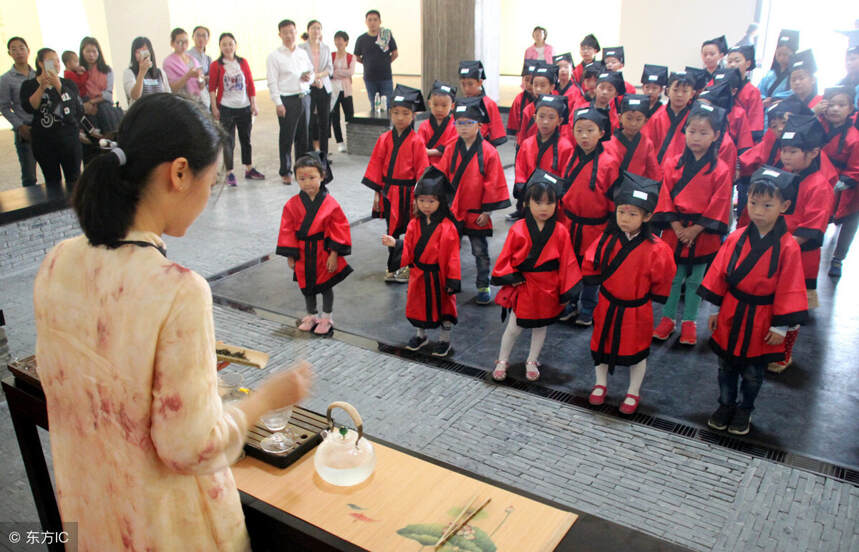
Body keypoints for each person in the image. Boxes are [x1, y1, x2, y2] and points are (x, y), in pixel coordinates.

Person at [34, 92, 313, 550]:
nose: (210, 194)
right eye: (214, 179)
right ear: (180, 172)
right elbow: (192, 448)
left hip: (90, 511)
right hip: (162, 527)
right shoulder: (178, 290)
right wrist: (265, 400)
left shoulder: (57, 260)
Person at [699, 166, 807, 435]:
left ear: (785, 206)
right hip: (732, 310)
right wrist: (714, 308)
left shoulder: (789, 246)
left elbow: (790, 286)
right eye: (753, 202)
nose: (758, 211)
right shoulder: (735, 237)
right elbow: (720, 274)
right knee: (725, 365)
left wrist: (780, 327)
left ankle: (745, 409)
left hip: (763, 315)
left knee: (753, 371)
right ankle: (725, 404)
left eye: (767, 204)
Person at [583, 173, 675, 415]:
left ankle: (633, 391)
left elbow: (663, 278)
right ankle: (600, 384)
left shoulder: (658, 249)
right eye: (621, 211)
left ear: (647, 217)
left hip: (636, 308)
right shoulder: (606, 239)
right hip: (607, 303)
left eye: (633, 214)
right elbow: (591, 263)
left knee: (637, 352)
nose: (625, 218)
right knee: (600, 346)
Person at [652, 102, 732, 345]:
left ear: (716, 136)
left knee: (697, 280)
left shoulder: (721, 169)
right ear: (684, 131)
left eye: (704, 132)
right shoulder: (672, 163)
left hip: (703, 231)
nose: (696, 137)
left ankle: (689, 322)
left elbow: (720, 201)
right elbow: (664, 194)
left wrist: (695, 229)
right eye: (692, 131)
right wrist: (677, 227)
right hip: (674, 228)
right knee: (673, 278)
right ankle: (667, 319)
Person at [491, 170, 582, 382]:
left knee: (541, 326)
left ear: (556, 205)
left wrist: (564, 288)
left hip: (549, 285)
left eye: (549, 203)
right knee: (515, 326)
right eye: (538, 202)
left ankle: (532, 359)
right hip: (525, 284)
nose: (543, 208)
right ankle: (502, 360)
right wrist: (512, 276)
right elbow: (506, 257)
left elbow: (567, 261)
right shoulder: (519, 229)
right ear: (527, 203)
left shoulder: (560, 231)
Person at [773, 114, 834, 373]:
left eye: (793, 151)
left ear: (813, 152)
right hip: (776, 249)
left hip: (800, 255)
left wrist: (781, 247)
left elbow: (811, 229)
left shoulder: (820, 186)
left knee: (792, 307)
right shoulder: (783, 175)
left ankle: (784, 353)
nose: (786, 157)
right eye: (784, 151)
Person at [382, 167, 461, 357]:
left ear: (440, 202)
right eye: (422, 200)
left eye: (431, 201)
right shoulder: (413, 224)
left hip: (439, 275)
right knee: (417, 305)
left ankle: (444, 340)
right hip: (419, 273)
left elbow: (452, 256)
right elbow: (408, 248)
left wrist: (452, 280)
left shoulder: (447, 228)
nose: (426, 205)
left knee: (444, 307)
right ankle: (420, 335)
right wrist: (396, 244)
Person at [439, 96, 510, 304]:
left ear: (479, 125)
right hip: (453, 209)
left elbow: (494, 182)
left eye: (468, 124)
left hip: (477, 211)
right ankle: (450, 281)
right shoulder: (451, 148)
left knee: (480, 251)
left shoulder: (489, 152)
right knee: (450, 248)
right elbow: (442, 175)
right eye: (458, 123)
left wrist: (486, 212)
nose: (462, 128)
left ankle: (482, 284)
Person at [277, 153, 351, 336]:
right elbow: (287, 230)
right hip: (302, 251)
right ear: (296, 179)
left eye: (312, 178)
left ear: (322, 176)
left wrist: (334, 254)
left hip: (322, 251)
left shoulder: (330, 204)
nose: (307, 183)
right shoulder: (291, 205)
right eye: (302, 179)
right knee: (306, 285)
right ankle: (311, 314)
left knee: (325, 285)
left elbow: (339, 228)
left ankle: (326, 317)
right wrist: (290, 255)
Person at [362, 85, 429, 282]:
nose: (400, 118)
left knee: (410, 229)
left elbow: (422, 172)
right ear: (390, 113)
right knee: (391, 229)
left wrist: (419, 198)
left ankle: (409, 266)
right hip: (389, 191)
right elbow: (376, 166)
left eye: (405, 113)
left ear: (413, 115)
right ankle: (393, 266)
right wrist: (376, 193)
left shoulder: (417, 141)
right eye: (396, 113)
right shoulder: (384, 139)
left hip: (409, 192)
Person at [559, 107, 619, 326]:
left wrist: (613, 227)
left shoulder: (609, 162)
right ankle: (571, 302)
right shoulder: (570, 156)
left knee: (592, 268)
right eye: (579, 130)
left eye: (590, 130)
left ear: (601, 132)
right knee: (571, 266)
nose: (584, 136)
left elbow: (613, 198)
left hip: (596, 227)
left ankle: (589, 306)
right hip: (570, 223)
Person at [737, 98, 812, 216]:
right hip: (763, 198)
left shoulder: (809, 149)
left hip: (789, 204)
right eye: (774, 126)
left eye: (784, 122)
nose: (780, 128)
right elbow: (745, 162)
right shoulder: (769, 140)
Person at [19, 48, 83, 187]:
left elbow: (76, 108)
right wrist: (41, 88)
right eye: (51, 61)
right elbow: (29, 107)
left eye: (58, 61)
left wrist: (59, 86)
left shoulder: (67, 84)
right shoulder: (29, 85)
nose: (56, 64)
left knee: (75, 180)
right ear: (41, 63)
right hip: (43, 142)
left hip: (69, 140)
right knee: (52, 183)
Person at [208, 32, 264, 186]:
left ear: (235, 45)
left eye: (230, 44)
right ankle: (229, 172)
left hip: (244, 106)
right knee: (228, 141)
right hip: (226, 107)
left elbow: (251, 84)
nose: (227, 47)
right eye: (224, 44)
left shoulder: (243, 62)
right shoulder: (216, 65)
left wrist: (253, 103)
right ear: (220, 46)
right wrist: (214, 107)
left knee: (246, 139)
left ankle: (249, 168)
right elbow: (212, 88)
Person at [267, 19, 313, 185]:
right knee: (287, 137)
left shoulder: (302, 53)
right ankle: (285, 171)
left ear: (296, 32)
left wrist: (310, 77)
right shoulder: (275, 56)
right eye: (285, 32)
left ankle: (301, 170)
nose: (289, 35)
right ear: (280, 35)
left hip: (304, 97)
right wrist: (278, 103)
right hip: (287, 100)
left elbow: (312, 72)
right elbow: (272, 82)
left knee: (303, 137)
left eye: (291, 32)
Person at [819, 86, 859, 278]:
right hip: (819, 180)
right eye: (832, 104)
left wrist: (841, 183)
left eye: (841, 105)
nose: (835, 109)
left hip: (847, 186)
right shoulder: (819, 125)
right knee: (818, 219)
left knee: (850, 220)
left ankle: (838, 259)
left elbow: (855, 168)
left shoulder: (854, 138)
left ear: (851, 108)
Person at [513, 94, 573, 218]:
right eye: (541, 116)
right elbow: (520, 171)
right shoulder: (527, 144)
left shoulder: (566, 147)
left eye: (551, 117)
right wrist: (524, 193)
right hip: (530, 200)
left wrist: (553, 198)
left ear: (559, 121)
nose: (545, 121)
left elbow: (565, 178)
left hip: (552, 202)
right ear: (535, 117)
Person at [0, 36, 37, 187]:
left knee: (52, 170)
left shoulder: (39, 75)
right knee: (29, 176)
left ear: (28, 51)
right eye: (14, 49)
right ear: (9, 54)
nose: (18, 52)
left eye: (21, 48)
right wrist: (19, 126)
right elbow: (3, 107)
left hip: (44, 127)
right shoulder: (6, 79)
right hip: (24, 129)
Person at [605, 94, 662, 184]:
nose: (633, 124)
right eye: (629, 118)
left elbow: (654, 172)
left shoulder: (647, 144)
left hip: (637, 191)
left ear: (645, 121)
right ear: (620, 118)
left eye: (638, 119)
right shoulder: (608, 144)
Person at [299, 20, 333, 160]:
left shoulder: (326, 48)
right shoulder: (301, 48)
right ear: (308, 30)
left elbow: (329, 69)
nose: (316, 31)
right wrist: (312, 79)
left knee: (324, 122)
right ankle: (310, 153)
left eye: (318, 28)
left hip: (324, 87)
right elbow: (300, 68)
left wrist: (318, 77)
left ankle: (323, 155)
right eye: (313, 28)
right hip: (308, 87)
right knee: (308, 121)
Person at [646, 71, 695, 165]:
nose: (679, 95)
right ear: (668, 91)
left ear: (692, 94)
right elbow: (647, 145)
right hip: (656, 169)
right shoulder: (657, 117)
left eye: (685, 91)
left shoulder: (694, 119)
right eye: (675, 90)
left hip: (681, 169)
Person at [354, 9, 398, 107]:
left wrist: (385, 62)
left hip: (385, 77)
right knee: (375, 106)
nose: (372, 22)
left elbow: (395, 53)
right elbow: (356, 56)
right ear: (366, 22)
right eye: (370, 20)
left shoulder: (386, 35)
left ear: (380, 21)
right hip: (370, 78)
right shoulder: (361, 39)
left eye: (375, 20)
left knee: (387, 106)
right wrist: (366, 63)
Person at [459, 60, 507, 147]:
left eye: (470, 84)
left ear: (480, 82)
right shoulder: (459, 105)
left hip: (484, 150)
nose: (466, 89)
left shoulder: (489, 104)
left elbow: (496, 133)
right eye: (463, 84)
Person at [725, 46, 764, 141]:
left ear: (748, 64)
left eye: (737, 61)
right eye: (729, 62)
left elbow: (755, 123)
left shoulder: (753, 91)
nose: (732, 65)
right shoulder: (721, 87)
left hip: (743, 139)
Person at [78, 37, 116, 131]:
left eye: (94, 51)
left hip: (104, 108)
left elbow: (108, 94)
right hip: (85, 108)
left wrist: (92, 102)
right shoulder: (78, 72)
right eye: (88, 51)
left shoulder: (107, 70)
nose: (91, 55)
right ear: (82, 52)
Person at [515, 62, 557, 145]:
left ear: (552, 87)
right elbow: (523, 135)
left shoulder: (558, 107)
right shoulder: (528, 109)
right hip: (531, 148)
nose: (538, 89)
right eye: (535, 85)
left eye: (542, 86)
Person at [418, 80, 457, 169]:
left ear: (452, 106)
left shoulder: (455, 125)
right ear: (429, 104)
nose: (439, 109)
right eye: (435, 105)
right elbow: (419, 147)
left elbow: (453, 147)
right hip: (426, 166)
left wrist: (429, 152)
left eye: (444, 106)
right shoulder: (424, 126)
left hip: (447, 166)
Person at [330, 31, 356, 153]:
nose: (339, 42)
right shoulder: (331, 56)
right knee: (335, 117)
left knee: (350, 116)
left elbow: (350, 72)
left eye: (341, 40)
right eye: (337, 39)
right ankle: (340, 142)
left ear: (346, 42)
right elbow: (329, 72)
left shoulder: (351, 57)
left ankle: (352, 140)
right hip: (333, 90)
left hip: (346, 91)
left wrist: (337, 72)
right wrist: (342, 72)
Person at [759, 30, 799, 108]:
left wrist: (774, 98)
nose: (781, 58)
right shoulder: (770, 74)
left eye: (785, 54)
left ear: (793, 54)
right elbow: (760, 90)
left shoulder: (795, 74)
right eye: (779, 54)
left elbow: (794, 92)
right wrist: (764, 99)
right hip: (766, 107)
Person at [124, 37, 171, 104]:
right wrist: (142, 72)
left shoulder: (160, 73)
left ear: (150, 52)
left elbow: (168, 96)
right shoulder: (129, 72)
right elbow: (135, 96)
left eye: (144, 51)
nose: (141, 54)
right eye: (138, 52)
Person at [163, 28, 205, 103]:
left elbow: (201, 85)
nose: (183, 45)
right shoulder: (168, 62)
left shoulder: (193, 59)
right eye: (179, 42)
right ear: (172, 43)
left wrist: (201, 79)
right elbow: (172, 88)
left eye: (186, 42)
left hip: (197, 99)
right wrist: (188, 76)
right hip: (181, 101)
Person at [507, 61, 538, 145]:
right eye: (526, 80)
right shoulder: (519, 99)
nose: (528, 84)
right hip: (523, 139)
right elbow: (514, 121)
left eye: (532, 81)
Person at [188, 26, 212, 108]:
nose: (200, 38)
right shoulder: (186, 56)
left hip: (205, 97)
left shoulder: (208, 59)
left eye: (204, 36)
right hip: (191, 96)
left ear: (208, 39)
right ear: (193, 37)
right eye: (198, 35)